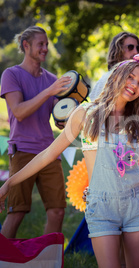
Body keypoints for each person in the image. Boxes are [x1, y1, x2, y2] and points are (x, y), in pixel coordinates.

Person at [0, 54, 139, 268]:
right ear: (117, 76)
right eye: (130, 77)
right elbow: (48, 154)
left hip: (138, 204)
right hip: (101, 207)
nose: (134, 85)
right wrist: (10, 182)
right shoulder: (85, 113)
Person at [0, 26, 73, 239]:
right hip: (22, 150)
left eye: (46, 44)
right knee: (17, 212)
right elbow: (20, 112)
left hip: (49, 152)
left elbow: (58, 118)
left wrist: (64, 119)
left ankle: (47, 260)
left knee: (58, 210)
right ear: (26, 45)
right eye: (40, 44)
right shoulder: (11, 75)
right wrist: (49, 91)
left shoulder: (51, 79)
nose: (45, 49)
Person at [89, 31, 139, 100]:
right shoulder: (107, 79)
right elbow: (94, 107)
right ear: (118, 50)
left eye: (138, 48)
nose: (136, 52)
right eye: (130, 47)